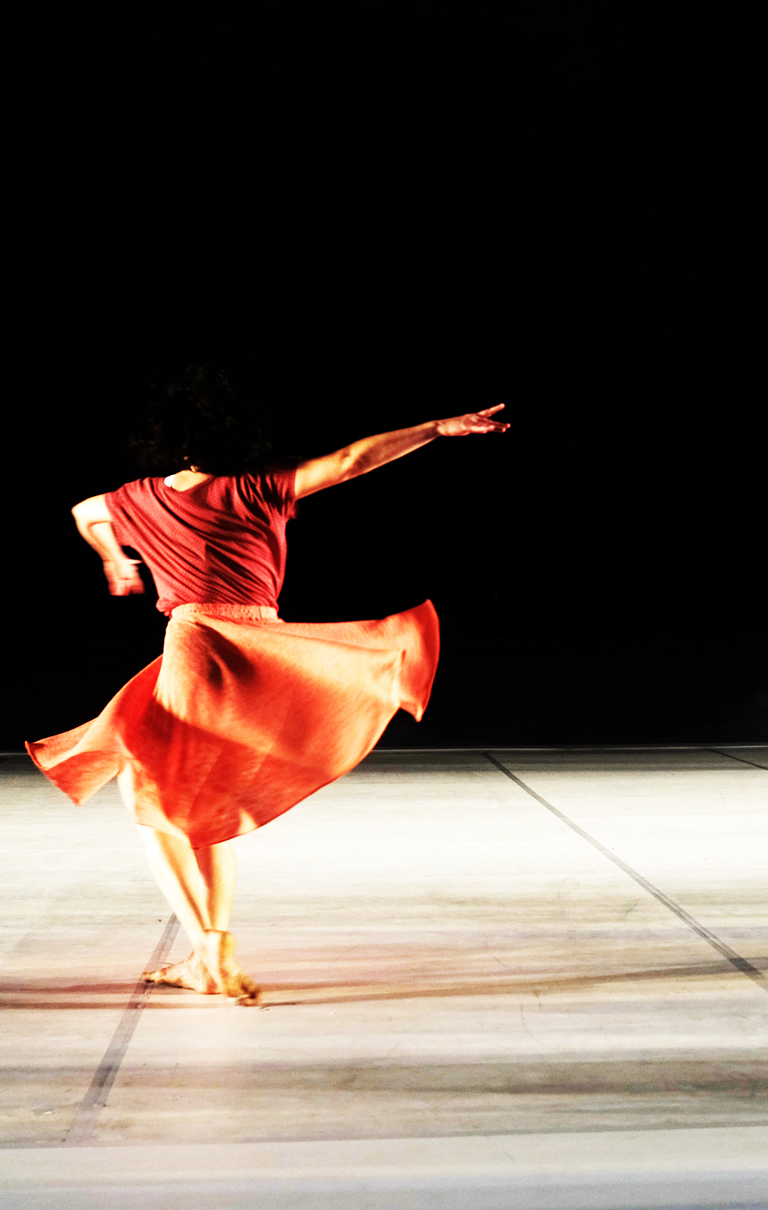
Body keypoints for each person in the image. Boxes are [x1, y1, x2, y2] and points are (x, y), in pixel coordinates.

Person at [27, 366, 509, 1004]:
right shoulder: (259, 486)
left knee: (151, 802)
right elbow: (350, 461)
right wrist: (437, 429)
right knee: (202, 809)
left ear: (167, 440)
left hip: (198, 646)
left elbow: (84, 513)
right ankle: (211, 950)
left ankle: (208, 953)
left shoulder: (139, 497)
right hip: (261, 647)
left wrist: (115, 559)